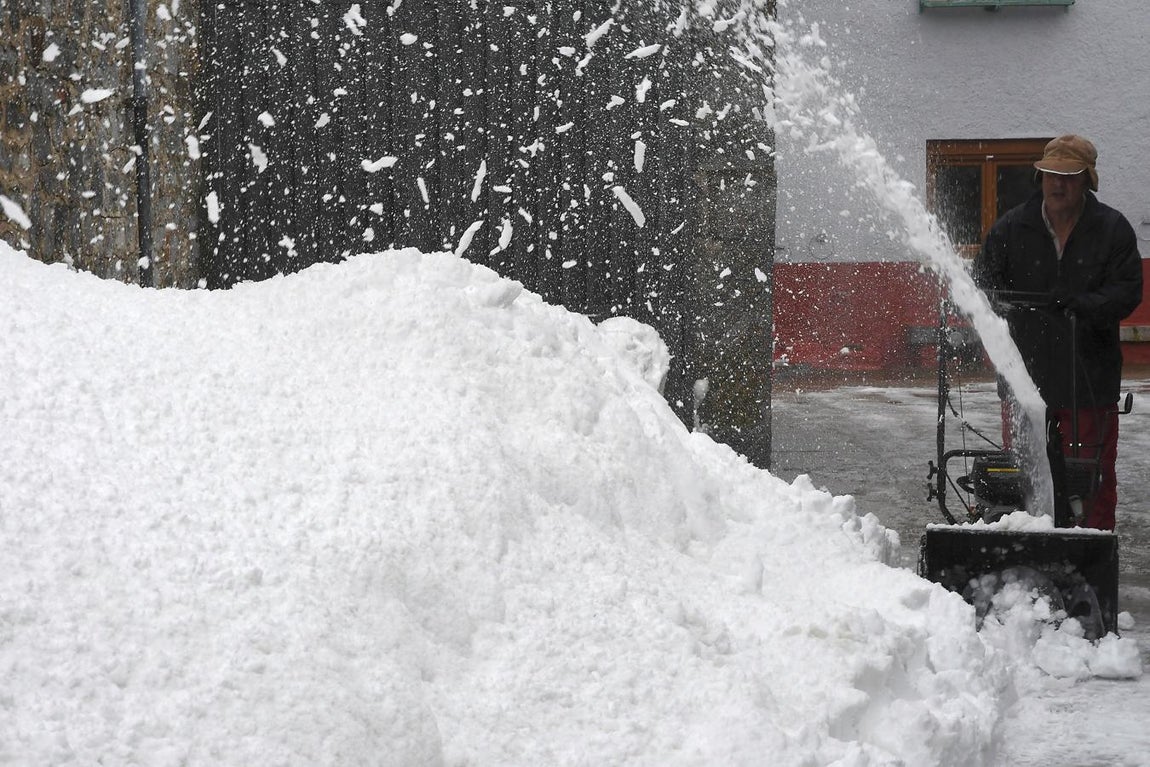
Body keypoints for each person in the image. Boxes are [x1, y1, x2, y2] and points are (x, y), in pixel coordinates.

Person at [972, 134, 1143, 530]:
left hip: (1089, 378)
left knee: (1091, 474)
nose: (1057, 184)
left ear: (1087, 181)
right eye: (1050, 175)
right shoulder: (1012, 227)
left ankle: (1092, 548)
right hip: (1025, 378)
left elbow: (1127, 291)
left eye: (1068, 176)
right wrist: (1002, 309)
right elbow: (983, 283)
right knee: (1025, 473)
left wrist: (1082, 306)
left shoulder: (1111, 229)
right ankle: (1029, 541)